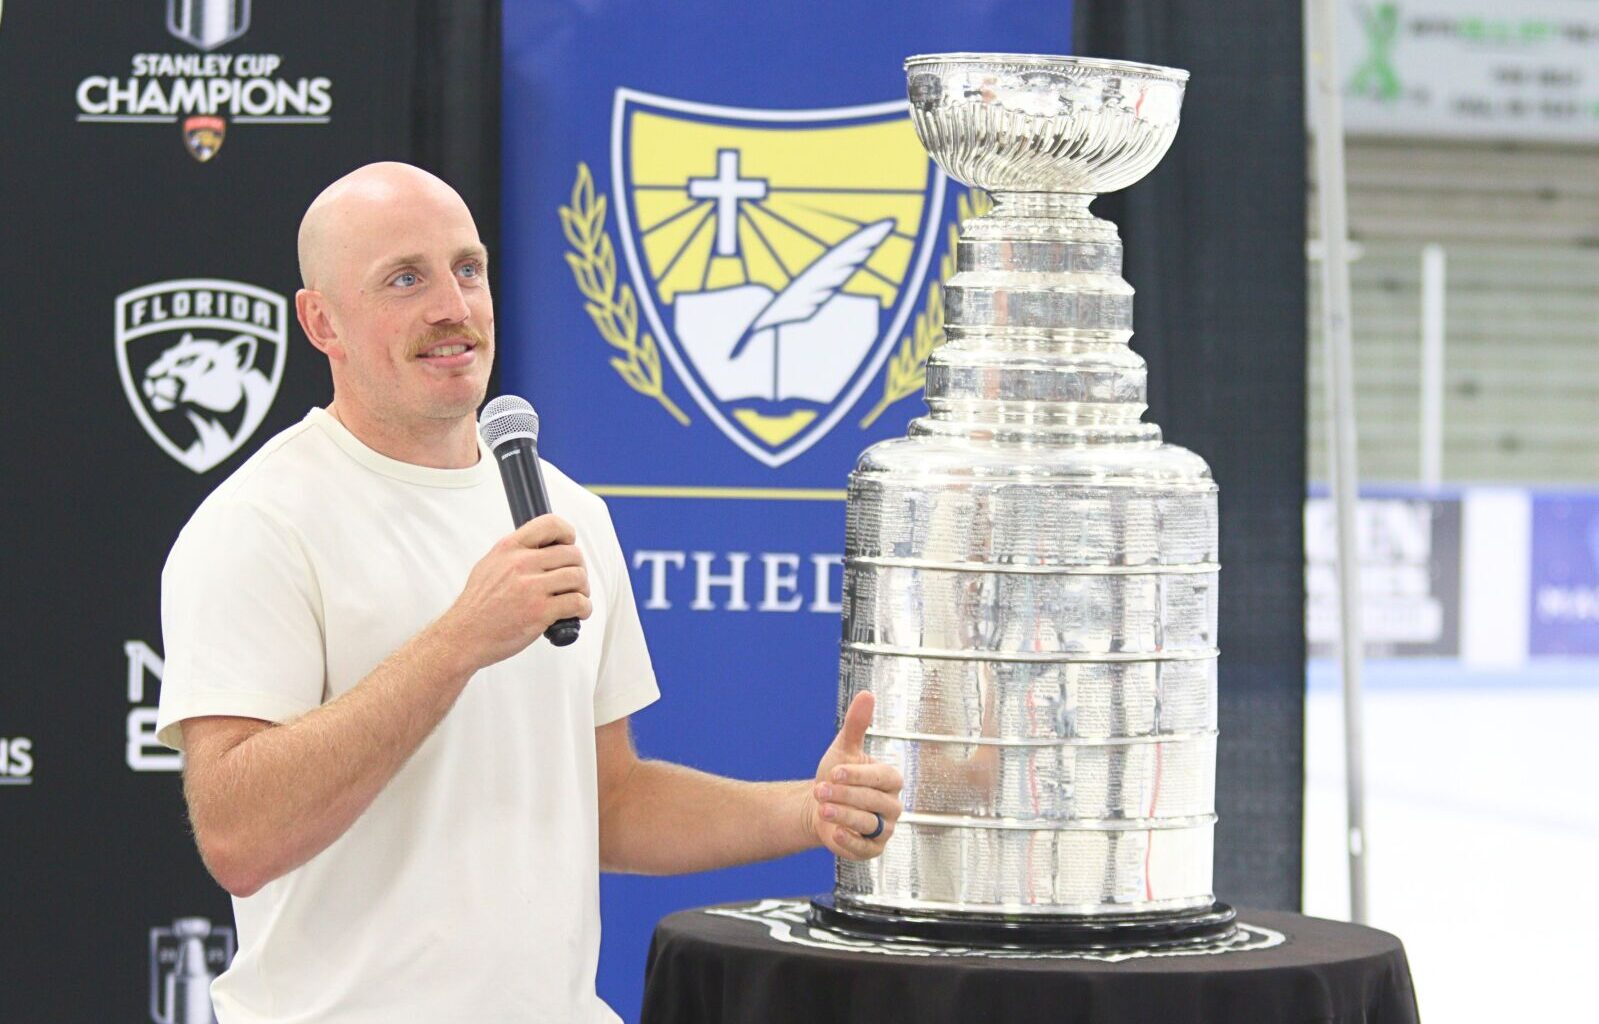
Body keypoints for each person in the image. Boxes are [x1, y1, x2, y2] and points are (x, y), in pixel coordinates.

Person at [155, 161, 903, 1024]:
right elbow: (240, 838)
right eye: (405, 279)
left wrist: (809, 811)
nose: (452, 307)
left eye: (467, 269)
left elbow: (609, 804)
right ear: (322, 321)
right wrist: (460, 639)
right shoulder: (259, 522)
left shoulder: (566, 511)